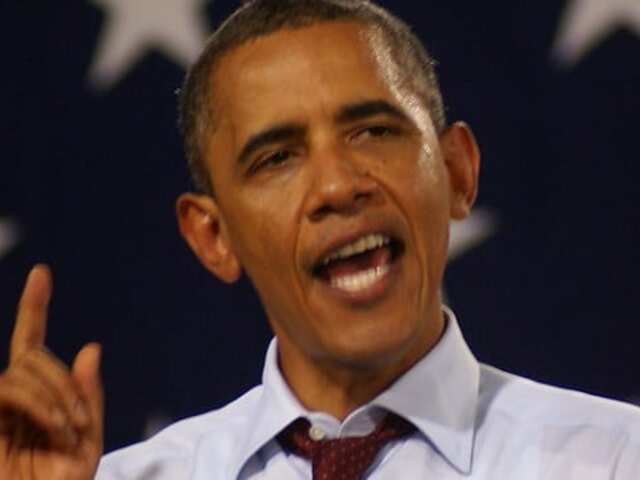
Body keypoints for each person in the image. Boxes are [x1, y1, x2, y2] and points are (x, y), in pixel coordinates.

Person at [1, 0, 639, 478]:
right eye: (277, 158)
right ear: (213, 236)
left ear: (456, 173)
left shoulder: (614, 460)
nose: (337, 185)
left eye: (373, 132)